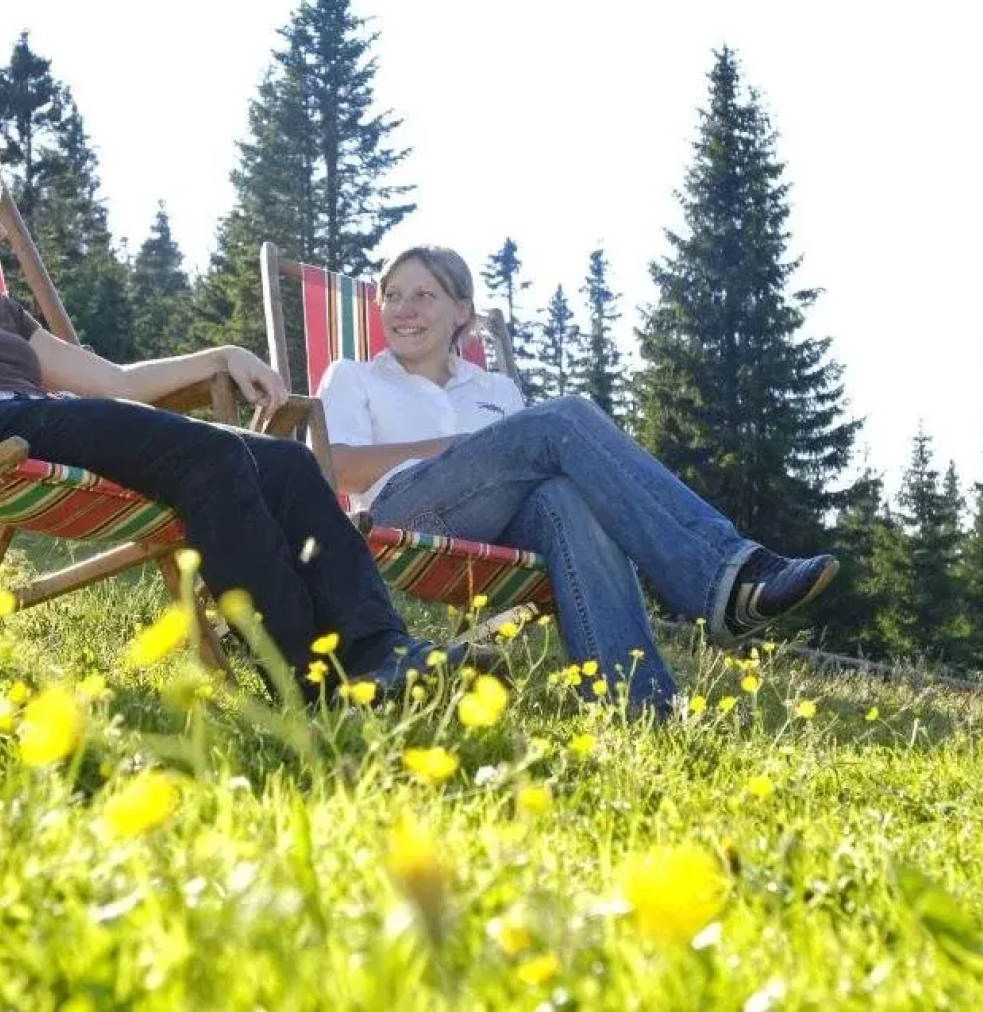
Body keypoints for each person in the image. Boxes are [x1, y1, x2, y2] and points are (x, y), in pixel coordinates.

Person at [0, 145, 456, 697]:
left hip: (51, 422)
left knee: (286, 462)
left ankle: (380, 651)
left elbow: (116, 382)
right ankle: (310, 680)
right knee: (213, 458)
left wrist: (221, 356)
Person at [318, 245, 839, 719]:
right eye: (393, 296)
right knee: (562, 419)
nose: (403, 309)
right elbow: (335, 467)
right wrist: (449, 448)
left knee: (567, 498)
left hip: (493, 531)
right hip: (404, 518)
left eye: (423, 295)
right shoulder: (354, 376)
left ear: (461, 313)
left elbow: (531, 477)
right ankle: (722, 575)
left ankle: (639, 706)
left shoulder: (495, 388)